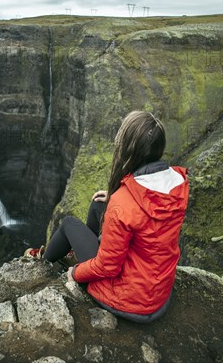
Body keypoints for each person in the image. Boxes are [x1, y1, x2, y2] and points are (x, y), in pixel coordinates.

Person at [25, 111, 189, 323]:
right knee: (97, 205)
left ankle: (42, 261)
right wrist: (113, 199)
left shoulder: (123, 202)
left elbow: (108, 267)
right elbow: (148, 219)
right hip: (156, 292)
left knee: (68, 224)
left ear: (129, 150)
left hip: (127, 298)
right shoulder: (178, 182)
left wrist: (75, 273)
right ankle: (79, 254)